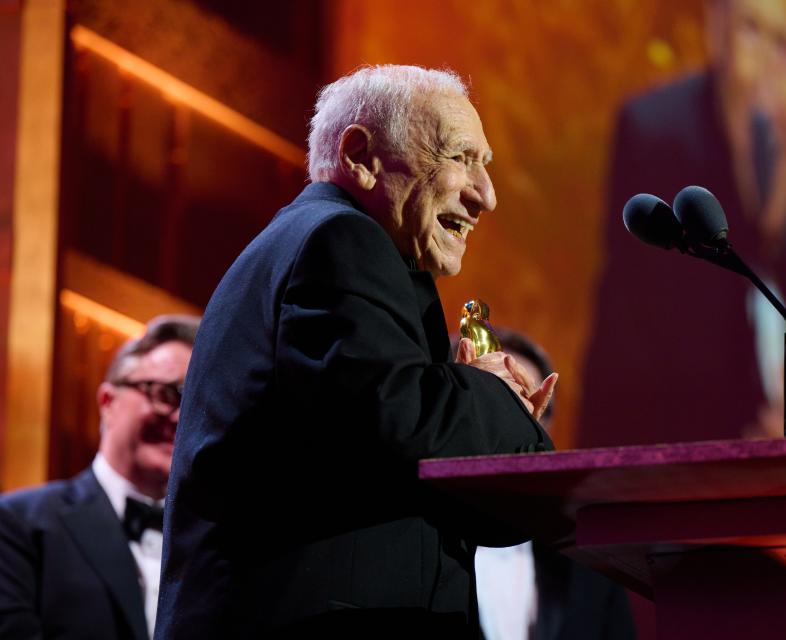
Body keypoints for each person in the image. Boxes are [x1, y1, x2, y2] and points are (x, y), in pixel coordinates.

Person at [156, 65, 559, 639]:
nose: (485, 196)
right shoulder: (338, 240)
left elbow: (390, 463)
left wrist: (480, 421)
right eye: (461, 157)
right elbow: (400, 421)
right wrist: (491, 393)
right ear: (361, 154)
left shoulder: (324, 246)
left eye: (485, 165)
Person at [580, 0, 786, 447]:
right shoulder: (658, 140)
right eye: (751, 30)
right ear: (716, 32)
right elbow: (652, 357)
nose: (766, 66)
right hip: (659, 474)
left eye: (785, 46)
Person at [0, 315, 199, 640]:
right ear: (108, 402)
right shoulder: (17, 524)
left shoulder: (215, 543)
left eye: (193, 404)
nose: (180, 417)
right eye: (167, 395)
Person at [475, 329, 636, 640]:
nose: (520, 424)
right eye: (502, 402)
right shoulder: (409, 548)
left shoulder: (590, 558)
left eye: (535, 406)